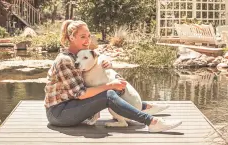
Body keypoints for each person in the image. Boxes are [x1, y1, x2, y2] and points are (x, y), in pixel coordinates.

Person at [44, 20, 182, 132]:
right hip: (59, 114)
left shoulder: (79, 57)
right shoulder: (65, 60)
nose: (87, 40)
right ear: (71, 37)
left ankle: (143, 106)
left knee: (110, 89)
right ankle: (152, 122)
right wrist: (110, 86)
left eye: (88, 36)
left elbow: (97, 70)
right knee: (108, 94)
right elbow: (81, 94)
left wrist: (107, 64)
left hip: (71, 106)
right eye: (82, 37)